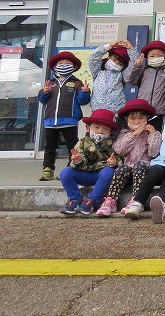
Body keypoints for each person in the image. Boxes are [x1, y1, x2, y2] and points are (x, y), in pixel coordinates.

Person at [96, 99, 162, 217]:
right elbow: (119, 150)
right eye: (132, 118)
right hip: (127, 169)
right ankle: (111, 200)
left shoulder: (151, 133)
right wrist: (133, 134)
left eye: (141, 118)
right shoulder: (124, 133)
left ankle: (136, 200)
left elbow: (153, 153)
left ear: (147, 118)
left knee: (140, 166)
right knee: (122, 168)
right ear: (126, 119)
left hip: (144, 169)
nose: (137, 121)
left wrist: (153, 134)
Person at [38, 51, 91, 181]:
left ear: (74, 66)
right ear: (55, 66)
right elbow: (42, 100)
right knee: (49, 147)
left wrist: (85, 92)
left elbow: (82, 101)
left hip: (69, 120)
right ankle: (48, 169)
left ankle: (71, 168)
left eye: (67, 63)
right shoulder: (50, 83)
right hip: (50, 121)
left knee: (73, 146)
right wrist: (44, 92)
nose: (64, 65)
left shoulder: (77, 83)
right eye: (60, 63)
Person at [58, 109, 118, 216]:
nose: (100, 131)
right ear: (88, 128)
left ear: (110, 131)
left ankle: (92, 200)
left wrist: (114, 162)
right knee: (65, 173)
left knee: (108, 172)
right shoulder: (82, 142)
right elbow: (76, 161)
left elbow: (121, 157)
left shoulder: (114, 143)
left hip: (101, 174)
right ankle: (75, 199)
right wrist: (78, 161)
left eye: (106, 129)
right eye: (96, 127)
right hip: (84, 173)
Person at [124, 40, 165, 132]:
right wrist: (137, 66)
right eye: (152, 56)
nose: (155, 58)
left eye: (159, 56)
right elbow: (130, 80)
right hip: (141, 112)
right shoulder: (144, 70)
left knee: (154, 135)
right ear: (147, 57)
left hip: (158, 113)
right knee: (138, 135)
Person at [88, 39, 138, 113]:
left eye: (120, 64)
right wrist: (110, 45)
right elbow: (93, 57)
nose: (116, 64)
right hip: (97, 110)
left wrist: (131, 49)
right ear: (109, 56)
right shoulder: (98, 71)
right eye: (114, 60)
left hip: (116, 112)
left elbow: (134, 64)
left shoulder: (122, 75)